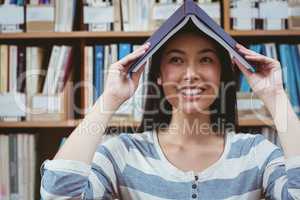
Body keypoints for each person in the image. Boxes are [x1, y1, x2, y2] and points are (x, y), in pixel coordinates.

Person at [40, 24, 300, 200]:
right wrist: (109, 98)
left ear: (222, 74)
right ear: (160, 76)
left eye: (206, 59)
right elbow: (58, 194)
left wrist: (275, 96)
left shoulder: (255, 153)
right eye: (176, 60)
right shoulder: (125, 153)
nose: (191, 74)